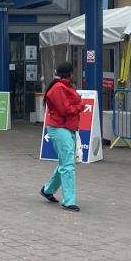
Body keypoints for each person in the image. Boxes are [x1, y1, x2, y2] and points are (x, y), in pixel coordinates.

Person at [39, 61, 84, 212]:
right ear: (70, 73)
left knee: (66, 163)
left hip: (62, 127)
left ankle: (48, 190)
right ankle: (68, 201)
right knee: (68, 165)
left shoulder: (60, 86)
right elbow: (66, 109)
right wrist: (81, 106)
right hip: (61, 127)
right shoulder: (60, 88)